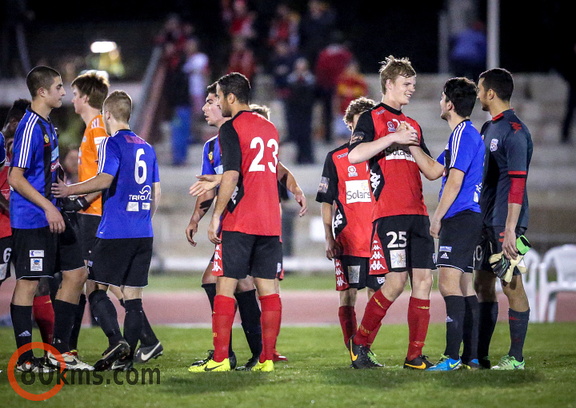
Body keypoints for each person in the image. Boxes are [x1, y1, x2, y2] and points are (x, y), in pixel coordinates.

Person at [52, 90, 161, 371]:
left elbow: (103, 180)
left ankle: (115, 340)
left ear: (108, 115)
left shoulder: (112, 143)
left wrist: (69, 190)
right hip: (143, 231)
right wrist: (145, 219)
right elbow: (155, 192)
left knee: (95, 286)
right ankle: (127, 361)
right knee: (134, 299)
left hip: (115, 231)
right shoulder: (147, 148)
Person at [188, 72, 283, 373]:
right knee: (268, 292)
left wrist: (216, 215)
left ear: (230, 97)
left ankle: (220, 359)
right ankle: (266, 359)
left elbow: (232, 175)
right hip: (270, 221)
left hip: (241, 219)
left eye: (218, 96)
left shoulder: (231, 128)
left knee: (224, 288)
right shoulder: (270, 128)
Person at [347, 56, 436, 370]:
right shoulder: (372, 118)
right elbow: (355, 154)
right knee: (396, 282)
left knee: (424, 281)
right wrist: (392, 138)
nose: (411, 89)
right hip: (391, 213)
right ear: (389, 84)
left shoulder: (413, 124)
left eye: (413, 84)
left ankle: (414, 356)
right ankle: (361, 342)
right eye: (406, 84)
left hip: (418, 213)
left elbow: (431, 170)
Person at [9, 66, 92, 372]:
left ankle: (60, 352)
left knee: (76, 273)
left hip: (53, 213)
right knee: (29, 283)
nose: (63, 92)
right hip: (33, 218)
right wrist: (48, 206)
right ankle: (26, 360)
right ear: (42, 92)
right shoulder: (29, 127)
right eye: (58, 87)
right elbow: (16, 178)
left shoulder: (47, 124)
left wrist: (61, 195)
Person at [398, 77, 485, 371]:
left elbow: (455, 180)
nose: (439, 103)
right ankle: (471, 357)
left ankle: (451, 357)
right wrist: (411, 144)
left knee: (448, 285)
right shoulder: (464, 135)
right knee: (464, 284)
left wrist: (437, 217)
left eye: (441, 98)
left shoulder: (462, 133)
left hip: (460, 217)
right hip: (471, 217)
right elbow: (435, 171)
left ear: (449, 104)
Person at [316, 96, 385, 359]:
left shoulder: (382, 155)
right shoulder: (335, 157)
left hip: (377, 239)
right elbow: (326, 201)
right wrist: (328, 238)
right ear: (349, 125)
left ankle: (364, 346)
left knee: (377, 295)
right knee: (348, 296)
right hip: (348, 238)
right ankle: (354, 350)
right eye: (359, 124)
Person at [473, 68, 533, 370]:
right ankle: (479, 356)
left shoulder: (515, 131)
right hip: (487, 219)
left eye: (480, 88)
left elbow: (518, 183)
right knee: (482, 284)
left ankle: (516, 358)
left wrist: (510, 229)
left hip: (505, 223)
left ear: (491, 93)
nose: (478, 93)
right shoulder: (488, 128)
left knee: (511, 285)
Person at [0, 99, 56, 349]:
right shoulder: (3, 142)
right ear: (14, 123)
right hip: (4, 227)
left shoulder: (35, 136)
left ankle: (51, 349)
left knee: (38, 282)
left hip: (25, 223)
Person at [285, 57, 316, 164]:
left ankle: (308, 156)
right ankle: (299, 157)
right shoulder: (291, 79)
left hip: (306, 111)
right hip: (294, 111)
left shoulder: (310, 79)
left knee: (306, 134)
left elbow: (313, 94)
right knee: (297, 133)